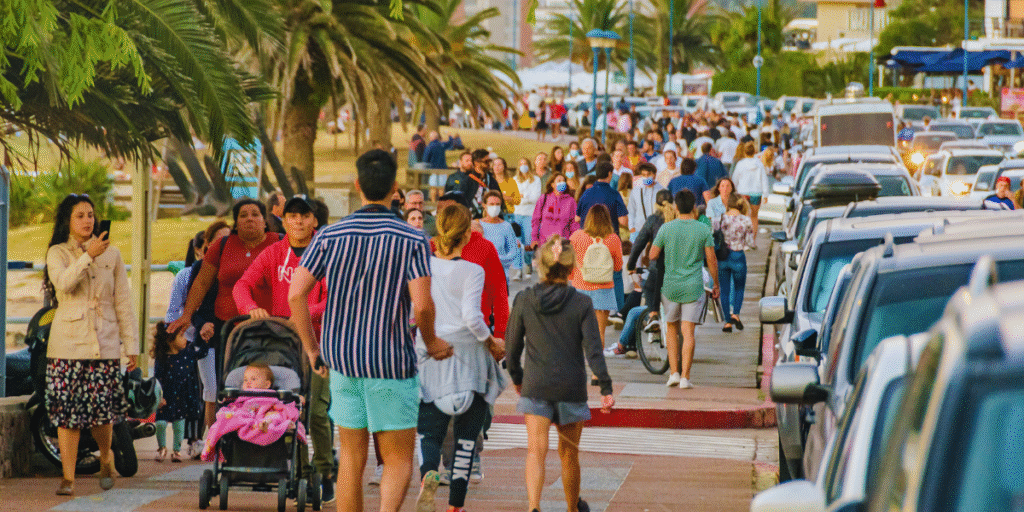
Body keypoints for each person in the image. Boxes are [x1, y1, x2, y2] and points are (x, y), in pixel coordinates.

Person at [287, 149, 453, 512]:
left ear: (357, 185)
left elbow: (296, 293)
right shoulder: (411, 240)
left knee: (350, 458)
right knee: (396, 459)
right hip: (391, 362)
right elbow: (423, 305)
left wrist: (314, 350)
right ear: (395, 188)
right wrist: (432, 341)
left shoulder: (330, 236)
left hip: (342, 361)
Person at [232, 195, 335, 502]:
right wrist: (251, 307)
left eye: (305, 216)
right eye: (292, 216)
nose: (299, 221)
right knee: (291, 408)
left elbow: (334, 299)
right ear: (284, 220)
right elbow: (242, 285)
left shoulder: (327, 252)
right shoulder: (274, 253)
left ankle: (325, 471)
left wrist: (303, 314)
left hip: (320, 343)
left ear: (314, 220)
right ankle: (300, 475)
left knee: (316, 412)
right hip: (285, 345)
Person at [506, 235, 615, 512]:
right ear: (572, 268)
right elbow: (593, 350)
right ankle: (571, 507)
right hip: (570, 387)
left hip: (536, 385)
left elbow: (512, 347)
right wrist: (605, 388)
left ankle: (533, 507)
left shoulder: (524, 300)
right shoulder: (581, 304)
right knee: (569, 455)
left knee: (536, 451)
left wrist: (518, 380)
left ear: (540, 264)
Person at [414, 204, 509, 512]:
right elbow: (472, 315)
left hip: (430, 346)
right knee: (466, 438)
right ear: (468, 233)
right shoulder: (473, 270)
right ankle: (456, 504)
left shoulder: (423, 265)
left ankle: (428, 469)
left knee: (430, 426)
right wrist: (491, 341)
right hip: (468, 350)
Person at [43, 194, 139, 495]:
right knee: (68, 414)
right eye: (80, 216)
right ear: (68, 222)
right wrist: (88, 256)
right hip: (67, 345)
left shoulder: (113, 255)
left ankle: (106, 457)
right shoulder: (57, 253)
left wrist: (131, 344)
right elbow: (63, 284)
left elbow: (122, 301)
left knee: (101, 413)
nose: (87, 221)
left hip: (104, 342)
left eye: (90, 215)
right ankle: (68, 477)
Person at [166, 199, 283, 425]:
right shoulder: (223, 246)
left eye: (255, 214)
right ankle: (228, 438)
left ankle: (266, 431)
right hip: (227, 330)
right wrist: (187, 314)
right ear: (236, 224)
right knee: (230, 386)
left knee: (266, 384)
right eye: (243, 215)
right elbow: (201, 283)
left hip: (268, 329)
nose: (249, 218)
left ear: (265, 221)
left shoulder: (277, 243)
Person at [647, 190, 719, 389]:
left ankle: (674, 374)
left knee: (671, 329)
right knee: (688, 332)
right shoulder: (703, 229)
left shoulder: (666, 228)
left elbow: (653, 254)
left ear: (676, 207)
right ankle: (686, 378)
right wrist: (716, 284)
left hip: (670, 286)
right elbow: (711, 260)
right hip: (693, 287)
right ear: (693, 207)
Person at [569, 204, 623, 348]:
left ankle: (578, 367)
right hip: (603, 289)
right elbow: (618, 267)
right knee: (599, 333)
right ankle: (597, 370)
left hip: (580, 288)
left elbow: (569, 263)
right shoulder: (613, 239)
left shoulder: (576, 236)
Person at [151, 321, 205, 463]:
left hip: (182, 396)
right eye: (181, 336)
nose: (185, 339)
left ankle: (176, 451)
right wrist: (159, 397)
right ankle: (161, 448)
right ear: (170, 341)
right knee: (161, 423)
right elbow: (157, 379)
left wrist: (205, 339)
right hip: (166, 397)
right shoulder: (162, 358)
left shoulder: (187, 353)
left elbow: (202, 353)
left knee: (179, 425)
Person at [717, 195, 755, 333]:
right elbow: (751, 243)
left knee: (724, 290)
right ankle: (736, 314)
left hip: (722, 256)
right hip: (738, 255)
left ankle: (727, 322)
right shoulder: (746, 220)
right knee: (739, 287)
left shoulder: (720, 218)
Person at [731, 141, 769, 238]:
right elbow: (764, 179)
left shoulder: (740, 164)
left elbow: (735, 178)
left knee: (743, 217)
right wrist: (766, 194)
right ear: (754, 152)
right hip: (756, 193)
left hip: (743, 192)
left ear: (744, 152)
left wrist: (734, 191)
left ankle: (744, 238)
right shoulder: (759, 164)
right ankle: (753, 240)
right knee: (754, 216)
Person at [480, 190, 521, 281]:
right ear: (484, 205)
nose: (495, 207)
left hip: (501, 277)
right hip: (481, 277)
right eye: (491, 204)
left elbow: (513, 251)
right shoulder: (477, 226)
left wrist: (497, 260)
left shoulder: (506, 226)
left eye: (497, 204)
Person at [531, 174, 580, 249]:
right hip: (545, 243)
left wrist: (574, 240)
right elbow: (536, 220)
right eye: (559, 181)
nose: (562, 183)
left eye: (563, 181)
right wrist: (534, 238)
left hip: (563, 243)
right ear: (553, 184)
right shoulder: (544, 199)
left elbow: (574, 223)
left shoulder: (571, 201)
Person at [513, 158, 542, 279]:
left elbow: (536, 198)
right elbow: (515, 199)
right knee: (518, 243)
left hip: (530, 215)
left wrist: (523, 196)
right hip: (517, 214)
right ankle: (518, 269)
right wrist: (526, 197)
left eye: (525, 163)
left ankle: (528, 262)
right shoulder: (514, 180)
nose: (523, 166)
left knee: (529, 243)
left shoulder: (536, 180)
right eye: (521, 164)